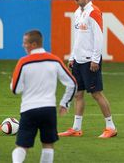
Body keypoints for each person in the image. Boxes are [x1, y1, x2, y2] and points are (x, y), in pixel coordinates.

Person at [58, 0, 117, 138]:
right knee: (78, 94)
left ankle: (111, 127)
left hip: (90, 60)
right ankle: (76, 128)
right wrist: (72, 57)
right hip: (78, 60)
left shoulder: (94, 12)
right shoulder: (77, 12)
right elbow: (77, 37)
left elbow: (99, 37)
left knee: (96, 94)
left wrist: (95, 59)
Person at [9, 30, 77, 163]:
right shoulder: (54, 60)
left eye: (25, 43)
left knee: (22, 146)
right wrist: (65, 103)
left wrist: (15, 83)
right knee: (48, 145)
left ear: (33, 44)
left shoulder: (23, 62)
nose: (23, 45)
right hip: (48, 109)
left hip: (29, 109)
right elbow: (72, 83)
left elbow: (15, 90)